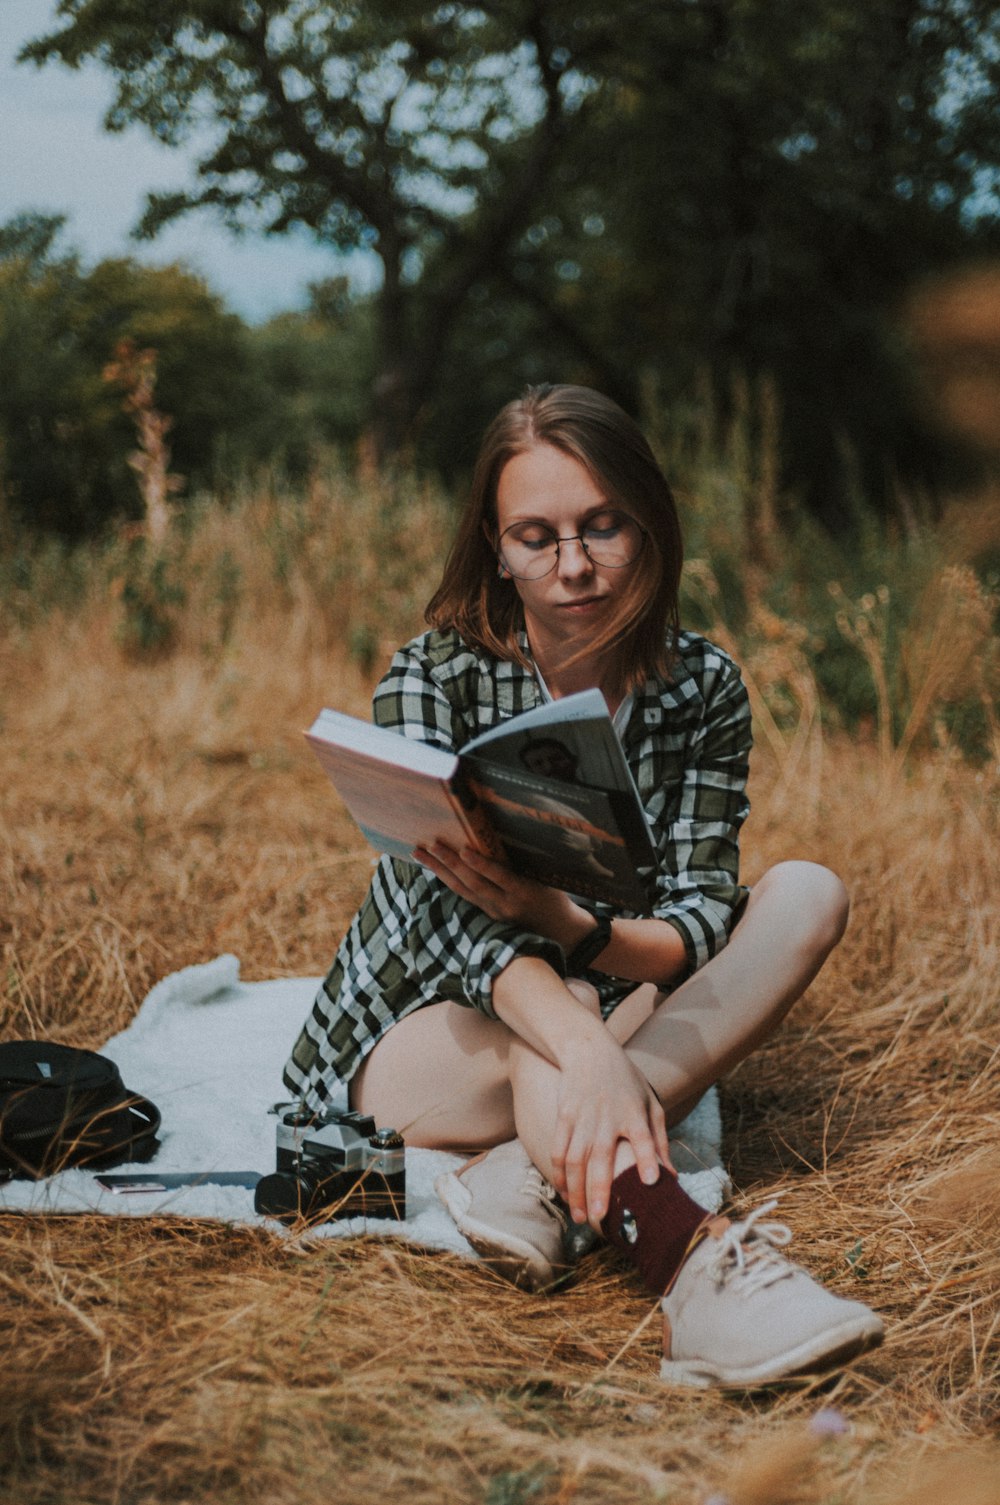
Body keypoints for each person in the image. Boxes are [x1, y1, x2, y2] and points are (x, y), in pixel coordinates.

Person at [284, 384, 884, 1388]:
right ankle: (690, 1265)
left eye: (601, 524)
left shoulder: (702, 686)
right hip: (415, 1042)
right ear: (495, 542)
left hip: (605, 987)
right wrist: (583, 1046)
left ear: (646, 519)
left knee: (806, 891)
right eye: (536, 535)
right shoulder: (430, 677)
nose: (572, 565)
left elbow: (693, 919)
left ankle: (533, 1171)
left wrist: (565, 923)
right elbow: (449, 921)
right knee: (552, 998)